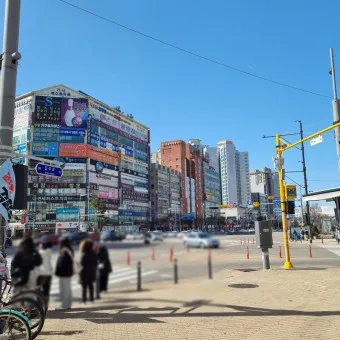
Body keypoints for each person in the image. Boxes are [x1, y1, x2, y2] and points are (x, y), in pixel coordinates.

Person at [55, 238, 74, 310]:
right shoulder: (70, 250)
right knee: (68, 289)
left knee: (64, 290)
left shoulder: (64, 251)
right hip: (68, 273)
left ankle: (64, 306)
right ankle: (68, 304)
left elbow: (62, 263)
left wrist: (58, 270)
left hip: (64, 273)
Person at [79, 239, 97, 303]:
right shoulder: (93, 253)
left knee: (84, 288)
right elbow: (96, 263)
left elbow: (81, 265)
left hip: (84, 273)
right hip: (91, 272)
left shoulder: (83, 255)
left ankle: (84, 301)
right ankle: (91, 299)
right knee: (91, 286)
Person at [37, 241, 53, 309]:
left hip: (42, 274)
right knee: (46, 291)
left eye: (40, 245)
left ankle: (40, 305)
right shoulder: (49, 252)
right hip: (49, 274)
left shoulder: (40, 253)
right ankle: (46, 306)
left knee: (38, 289)